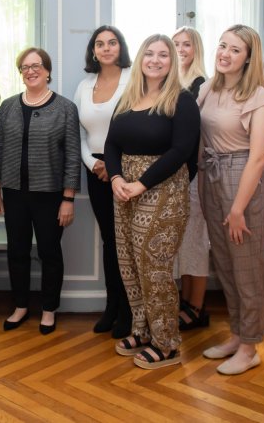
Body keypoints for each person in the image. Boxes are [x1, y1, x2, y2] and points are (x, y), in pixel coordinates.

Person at [105, 34, 200, 369]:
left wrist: (141, 184)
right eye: (149, 54)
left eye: (163, 55)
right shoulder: (129, 97)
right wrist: (117, 178)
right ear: (141, 59)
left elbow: (181, 151)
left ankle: (167, 343)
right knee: (129, 264)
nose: (155, 60)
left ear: (172, 61)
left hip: (163, 191)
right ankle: (142, 330)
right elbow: (111, 144)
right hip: (124, 191)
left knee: (154, 267)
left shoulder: (182, 100)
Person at [197, 24, 264, 375]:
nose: (224, 54)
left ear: (248, 58)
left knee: (247, 267)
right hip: (211, 174)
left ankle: (250, 348)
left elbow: (259, 157)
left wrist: (237, 208)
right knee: (225, 265)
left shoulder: (259, 97)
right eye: (222, 46)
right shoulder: (206, 89)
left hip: (242, 179)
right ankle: (236, 334)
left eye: (234, 49)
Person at [0, 48, 81, 335]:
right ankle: (20, 306)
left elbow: (72, 156)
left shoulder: (65, 108)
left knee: (49, 252)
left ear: (47, 70)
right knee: (17, 251)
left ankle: (48, 309)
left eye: (36, 66)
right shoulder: (8, 106)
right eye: (24, 67)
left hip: (50, 195)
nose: (30, 71)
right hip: (14, 192)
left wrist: (68, 199)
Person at [73, 25, 133, 338]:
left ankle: (130, 310)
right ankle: (113, 306)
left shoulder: (133, 80)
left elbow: (138, 125)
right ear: (93, 51)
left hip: (125, 170)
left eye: (112, 43)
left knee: (126, 240)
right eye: (100, 44)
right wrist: (93, 162)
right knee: (110, 240)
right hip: (95, 169)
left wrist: (114, 166)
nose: (106, 48)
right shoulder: (85, 85)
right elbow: (79, 132)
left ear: (120, 47)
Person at [171, 26, 210, 331]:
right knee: (182, 242)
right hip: (175, 175)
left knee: (196, 241)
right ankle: (184, 301)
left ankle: (196, 306)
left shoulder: (201, 84)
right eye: (175, 44)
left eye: (187, 44)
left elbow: (197, 136)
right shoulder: (172, 82)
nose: (181, 49)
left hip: (195, 175)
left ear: (196, 49)